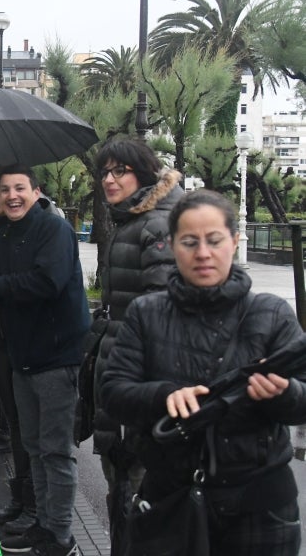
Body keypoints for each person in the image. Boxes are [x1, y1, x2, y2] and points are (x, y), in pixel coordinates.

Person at [101, 189, 306, 556]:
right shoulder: (146, 313)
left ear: (235, 241)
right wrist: (165, 395)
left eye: (214, 240)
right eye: (189, 242)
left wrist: (284, 393)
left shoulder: (272, 314)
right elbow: (114, 393)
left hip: (261, 509)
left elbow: (302, 401)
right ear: (172, 245)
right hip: (172, 500)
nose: (203, 253)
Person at [0, 164, 89, 555]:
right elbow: (0, 287)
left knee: (55, 450)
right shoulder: (5, 233)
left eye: (19, 188)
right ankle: (42, 523)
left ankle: (60, 535)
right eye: (4, 190)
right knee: (34, 446)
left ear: (36, 191)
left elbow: (47, 282)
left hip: (56, 355)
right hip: (23, 355)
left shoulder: (54, 229)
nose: (10, 196)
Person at [88, 137, 183, 547]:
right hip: (121, 378)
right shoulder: (130, 220)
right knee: (123, 494)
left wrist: (135, 408)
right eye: (104, 172)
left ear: (143, 173)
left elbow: (160, 317)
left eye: (119, 171)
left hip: (138, 389)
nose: (109, 180)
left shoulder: (156, 225)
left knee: (137, 499)